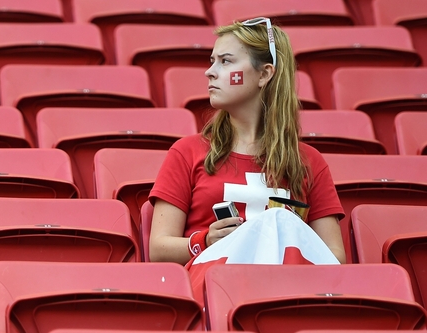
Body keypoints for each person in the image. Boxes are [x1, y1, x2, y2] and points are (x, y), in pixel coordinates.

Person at [148, 18, 346, 266]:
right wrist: (206, 240)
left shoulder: (308, 161)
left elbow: (335, 256)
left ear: (264, 74)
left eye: (226, 61)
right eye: (212, 61)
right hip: (212, 290)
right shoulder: (186, 152)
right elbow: (158, 248)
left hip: (284, 291)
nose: (210, 71)